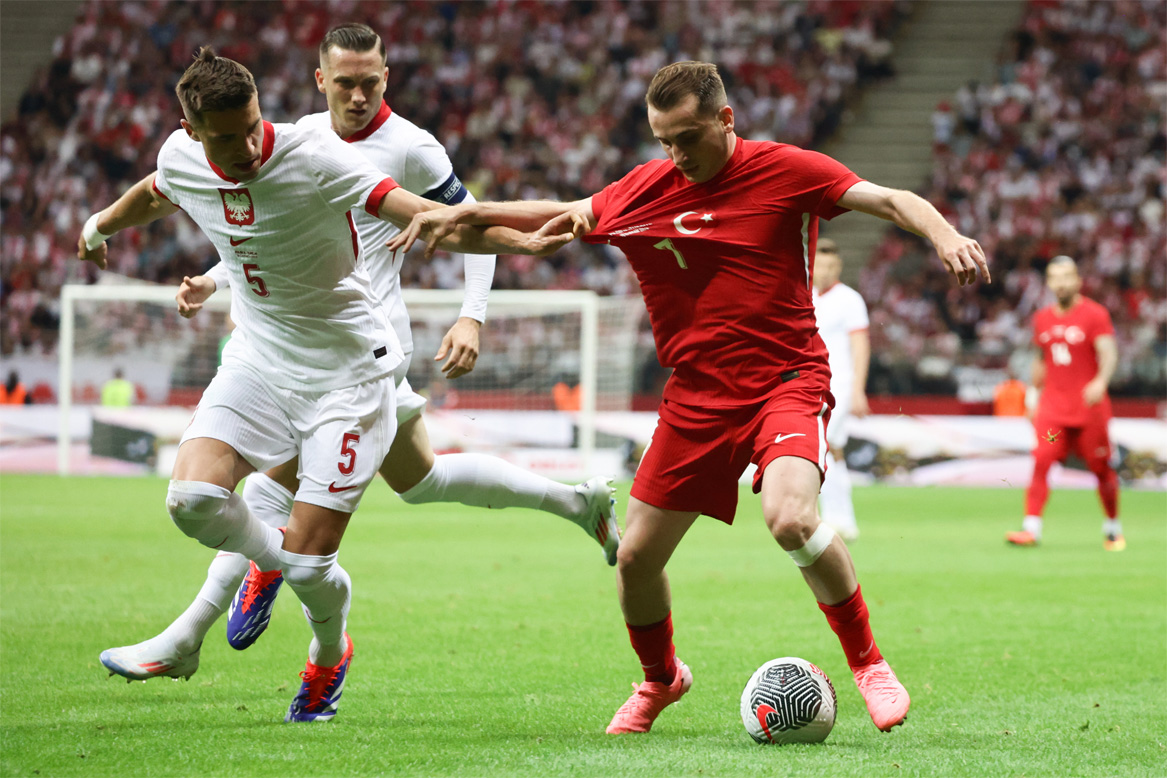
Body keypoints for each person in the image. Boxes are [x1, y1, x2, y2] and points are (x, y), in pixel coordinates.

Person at [392, 61, 990, 734]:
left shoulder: (787, 170)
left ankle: (869, 664)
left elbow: (890, 200)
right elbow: (547, 226)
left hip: (785, 379)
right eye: (662, 140)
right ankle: (659, 680)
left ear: (725, 119)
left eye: (686, 136)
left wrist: (944, 233)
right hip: (695, 397)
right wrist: (459, 217)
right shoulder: (644, 188)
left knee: (790, 517)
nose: (675, 154)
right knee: (634, 558)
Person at [98, 24, 620, 690]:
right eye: (344, 81)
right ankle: (577, 503)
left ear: (386, 78)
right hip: (298, 341)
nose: (356, 93)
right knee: (421, 481)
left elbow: (468, 220)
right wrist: (214, 276)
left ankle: (204, 624)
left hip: (364, 349)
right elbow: (267, 234)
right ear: (320, 81)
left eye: (368, 81)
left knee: (268, 492)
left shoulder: (408, 147)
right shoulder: (294, 139)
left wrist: (472, 312)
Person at [1006, 256, 1121, 550]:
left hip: (1089, 407)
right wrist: (1033, 396)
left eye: (1067, 276)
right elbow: (1040, 359)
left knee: (1100, 467)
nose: (1061, 283)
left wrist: (1101, 381)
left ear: (1078, 281)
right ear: (1048, 282)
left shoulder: (1095, 314)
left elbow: (1108, 351)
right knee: (1042, 459)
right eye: (1055, 277)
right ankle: (1031, 527)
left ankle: (1112, 524)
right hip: (1053, 410)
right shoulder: (1042, 317)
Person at [811, 239, 870, 542]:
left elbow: (860, 347)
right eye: (821, 264)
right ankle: (840, 519)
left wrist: (858, 389)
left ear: (839, 267)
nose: (826, 271)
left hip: (840, 385)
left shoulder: (850, 300)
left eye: (832, 265)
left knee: (825, 447)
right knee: (831, 451)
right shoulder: (804, 296)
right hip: (810, 384)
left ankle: (836, 520)